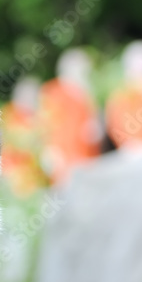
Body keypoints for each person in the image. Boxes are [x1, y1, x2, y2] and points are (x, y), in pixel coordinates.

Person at [39, 48, 102, 184]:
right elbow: (44, 124)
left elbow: (94, 124)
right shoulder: (52, 92)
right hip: (62, 159)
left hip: (87, 159)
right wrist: (49, 150)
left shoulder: (85, 92)